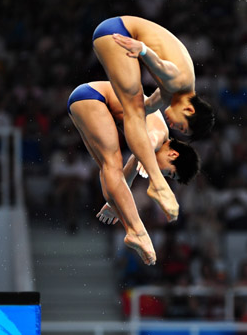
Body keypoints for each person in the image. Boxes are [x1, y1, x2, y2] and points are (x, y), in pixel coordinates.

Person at [91, 16, 215, 223]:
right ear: (189, 109)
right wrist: (142, 49)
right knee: (134, 107)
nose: (174, 127)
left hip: (115, 33)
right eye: (181, 127)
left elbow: (144, 110)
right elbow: (163, 67)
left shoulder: (170, 95)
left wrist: (143, 153)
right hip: (118, 33)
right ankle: (157, 185)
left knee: (136, 109)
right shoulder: (179, 82)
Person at [68, 81, 200, 265]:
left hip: (84, 100)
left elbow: (126, 175)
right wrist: (147, 154)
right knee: (112, 164)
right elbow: (149, 141)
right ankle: (137, 231)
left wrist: (114, 202)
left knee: (108, 170)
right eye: (170, 173)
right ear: (173, 154)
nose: (164, 175)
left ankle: (132, 228)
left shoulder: (156, 141)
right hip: (94, 98)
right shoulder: (160, 134)